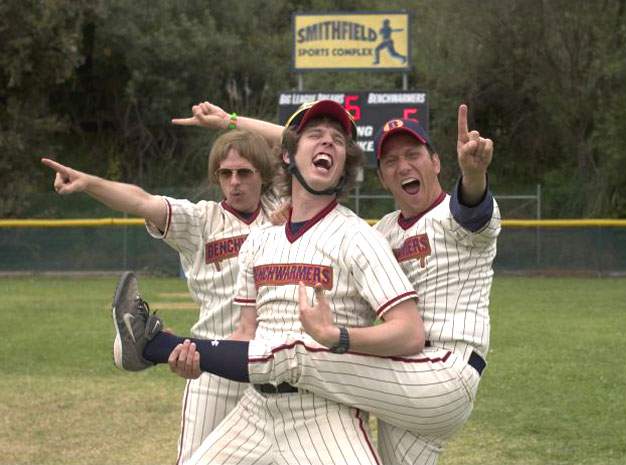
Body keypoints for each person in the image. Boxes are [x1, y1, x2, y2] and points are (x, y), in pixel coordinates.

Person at [117, 101, 501, 465]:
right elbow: (246, 334)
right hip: (268, 405)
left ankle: (153, 345)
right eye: (391, 161)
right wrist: (194, 357)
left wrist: (473, 173)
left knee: (297, 351)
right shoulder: (375, 231)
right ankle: (165, 345)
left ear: (436, 162)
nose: (328, 143)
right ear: (380, 175)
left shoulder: (401, 229)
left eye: (413, 155)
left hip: (406, 382)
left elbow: (472, 206)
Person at [42, 129, 278, 465]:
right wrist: (89, 183)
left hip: (271, 368)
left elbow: (302, 140)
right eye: (225, 174)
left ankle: (149, 347)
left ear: (263, 175)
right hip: (212, 368)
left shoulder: (283, 212)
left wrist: (230, 120)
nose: (234, 182)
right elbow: (141, 200)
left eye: (244, 172)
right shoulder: (201, 220)